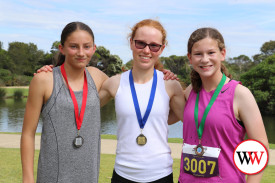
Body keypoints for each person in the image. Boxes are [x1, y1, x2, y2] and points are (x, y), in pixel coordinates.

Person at [176, 27, 269, 183]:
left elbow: (259, 146)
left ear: (222, 54)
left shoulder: (240, 94)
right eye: (198, 54)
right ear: (190, 58)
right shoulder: (190, 91)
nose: (204, 59)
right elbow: (166, 115)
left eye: (211, 53)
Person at [21, 21, 109, 183]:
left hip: (89, 177)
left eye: (87, 46)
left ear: (94, 48)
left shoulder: (96, 76)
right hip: (52, 177)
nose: (81, 53)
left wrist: (165, 75)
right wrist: (27, 178)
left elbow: (132, 87)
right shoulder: (44, 80)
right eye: (74, 46)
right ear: (62, 48)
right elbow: (28, 133)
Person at [98, 19, 185, 183]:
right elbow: (84, 108)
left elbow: (190, 120)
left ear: (162, 49)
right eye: (140, 43)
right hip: (123, 174)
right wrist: (55, 73)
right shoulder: (114, 83)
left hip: (161, 175)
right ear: (131, 43)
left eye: (154, 45)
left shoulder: (171, 85)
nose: (146, 50)